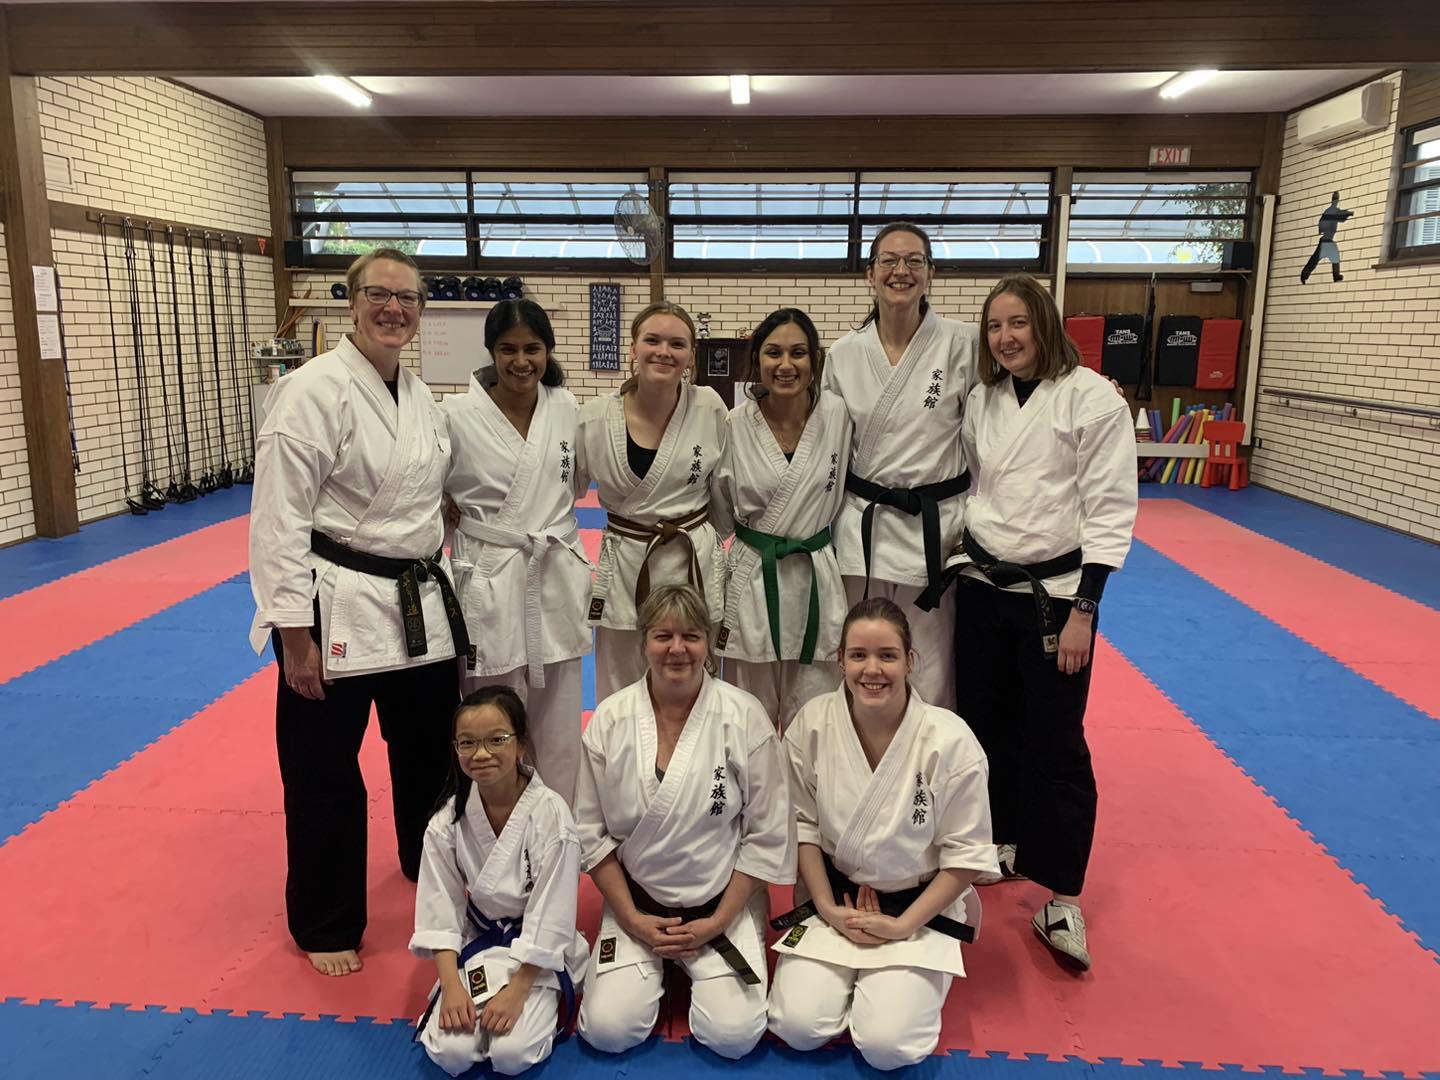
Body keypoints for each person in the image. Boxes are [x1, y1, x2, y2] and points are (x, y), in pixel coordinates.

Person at [249, 247, 465, 977]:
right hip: (334, 606)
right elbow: (277, 521)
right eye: (380, 294)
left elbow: (431, 494)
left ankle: (424, 865)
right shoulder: (310, 392)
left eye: (408, 299)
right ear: (351, 300)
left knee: (431, 756)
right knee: (323, 773)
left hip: (416, 606)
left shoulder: (420, 394)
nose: (394, 309)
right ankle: (326, 921)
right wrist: (292, 633)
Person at [950, 273, 1137, 971]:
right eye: (995, 326)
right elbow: (981, 486)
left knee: (1056, 739)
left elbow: (1111, 506)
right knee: (986, 726)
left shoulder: (1091, 399)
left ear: (1045, 324)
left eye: (1018, 323)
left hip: (1056, 594)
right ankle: (1001, 843)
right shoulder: (983, 399)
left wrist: (1086, 607)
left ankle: (1062, 895)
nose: (1006, 338)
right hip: (982, 582)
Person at [766, 597, 996, 1070]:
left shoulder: (949, 740)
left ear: (911, 660)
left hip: (918, 910)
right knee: (796, 1026)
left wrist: (904, 924)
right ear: (841, 661)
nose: (873, 670)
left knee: (888, 1047)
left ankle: (896, 987)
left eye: (887, 655)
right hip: (836, 901)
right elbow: (801, 824)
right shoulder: (812, 724)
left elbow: (967, 855)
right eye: (859, 655)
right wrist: (827, 907)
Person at [573, 584, 795, 1059]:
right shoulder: (610, 720)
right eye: (663, 636)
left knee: (734, 1038)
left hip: (721, 903)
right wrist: (631, 917)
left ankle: (705, 952)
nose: (677, 649)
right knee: (607, 1032)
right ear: (643, 642)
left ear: (709, 642)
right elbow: (590, 834)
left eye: (691, 636)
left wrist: (718, 920)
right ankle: (644, 955)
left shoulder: (743, 716)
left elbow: (768, 834)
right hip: (638, 904)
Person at [824, 222, 979, 710]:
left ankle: (924, 771)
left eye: (914, 261)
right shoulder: (845, 353)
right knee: (861, 653)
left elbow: (1002, 413)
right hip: (862, 528)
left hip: (934, 531)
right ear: (870, 274)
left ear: (930, 274)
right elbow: (827, 444)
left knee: (930, 658)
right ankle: (859, 763)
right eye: (889, 261)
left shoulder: (963, 344)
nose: (901, 271)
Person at [442, 299, 590, 806]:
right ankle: (493, 828)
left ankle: (559, 830)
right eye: (508, 349)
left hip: (553, 572)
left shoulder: (568, 409)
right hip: (490, 574)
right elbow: (419, 475)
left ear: (548, 351)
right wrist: (440, 501)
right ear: (490, 352)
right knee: (491, 717)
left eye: (533, 349)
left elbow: (589, 476)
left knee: (560, 722)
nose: (521, 361)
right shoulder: (456, 416)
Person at [411, 686, 590, 1076]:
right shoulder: (447, 822)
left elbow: (552, 912)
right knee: (451, 1052)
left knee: (513, 1055)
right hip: (480, 945)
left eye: (497, 740)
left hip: (536, 954)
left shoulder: (552, 818)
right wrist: (451, 983)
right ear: (455, 749)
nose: (481, 754)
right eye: (468, 743)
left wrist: (517, 990)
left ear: (521, 744)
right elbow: (439, 907)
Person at [575, 301, 728, 701]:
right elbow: (562, 490)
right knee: (620, 685)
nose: (664, 351)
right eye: (652, 340)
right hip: (626, 563)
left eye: (677, 343)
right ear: (632, 349)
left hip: (689, 558)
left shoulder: (709, 406)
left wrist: (712, 533)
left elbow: (724, 488)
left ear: (691, 355)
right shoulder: (593, 417)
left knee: (692, 679)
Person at [712, 307, 852, 732]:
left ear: (815, 360)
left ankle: (808, 799)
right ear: (757, 359)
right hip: (753, 576)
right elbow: (719, 507)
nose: (786, 365)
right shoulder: (733, 424)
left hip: (816, 579)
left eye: (798, 353)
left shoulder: (839, 416)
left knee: (814, 718)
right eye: (773, 353)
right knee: (744, 719)